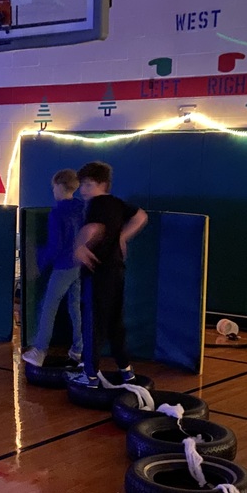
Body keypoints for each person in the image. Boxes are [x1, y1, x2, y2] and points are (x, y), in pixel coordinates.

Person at [66, 161, 148, 388]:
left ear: (103, 184)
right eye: (82, 184)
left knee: (93, 323)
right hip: (116, 270)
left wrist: (80, 246)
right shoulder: (117, 203)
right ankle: (126, 371)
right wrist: (123, 236)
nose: (83, 190)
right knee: (115, 322)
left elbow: (94, 228)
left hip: (98, 272)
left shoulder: (96, 204)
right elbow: (141, 216)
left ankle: (90, 376)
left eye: (88, 184)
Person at [22, 168, 85, 366]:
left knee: (48, 307)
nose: (53, 191)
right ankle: (78, 349)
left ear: (59, 186)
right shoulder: (81, 207)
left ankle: (39, 351)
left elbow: (55, 246)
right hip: (79, 264)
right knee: (75, 307)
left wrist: (40, 263)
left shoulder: (57, 213)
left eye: (54, 187)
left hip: (63, 266)